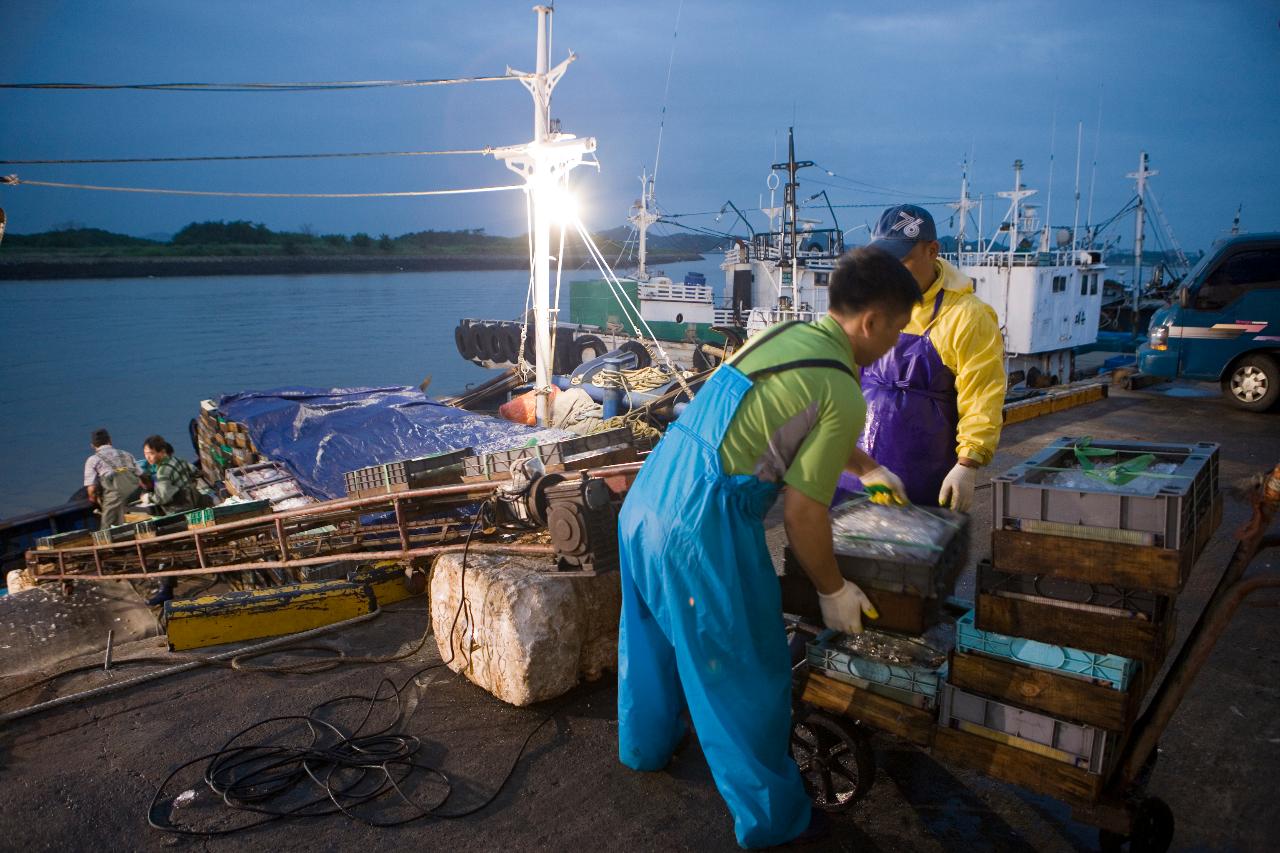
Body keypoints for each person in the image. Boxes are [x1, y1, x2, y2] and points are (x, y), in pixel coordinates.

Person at [617, 246, 921, 849]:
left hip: (648, 500)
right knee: (745, 672)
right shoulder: (844, 388)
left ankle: (644, 748)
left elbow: (785, 414)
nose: (894, 346)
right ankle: (777, 826)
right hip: (701, 527)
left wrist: (867, 467)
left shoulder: (789, 335)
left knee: (649, 639)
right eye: (897, 331)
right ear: (873, 323)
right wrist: (834, 589)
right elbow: (805, 513)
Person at [836, 204, 1006, 512]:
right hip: (859, 468)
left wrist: (968, 463)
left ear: (932, 250)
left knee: (911, 555)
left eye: (902, 262)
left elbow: (983, 395)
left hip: (924, 469)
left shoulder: (967, 316)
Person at [140, 435, 204, 606]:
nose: (148, 457)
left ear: (162, 452)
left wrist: (148, 497)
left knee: (165, 550)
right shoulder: (179, 461)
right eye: (146, 454)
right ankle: (169, 583)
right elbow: (196, 471)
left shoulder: (163, 471)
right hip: (192, 509)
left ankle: (165, 590)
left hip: (178, 515)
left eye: (151, 454)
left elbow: (163, 497)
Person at [83, 428, 142, 529]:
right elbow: (141, 476)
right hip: (136, 495)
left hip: (115, 499)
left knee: (106, 530)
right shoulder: (126, 454)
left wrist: (94, 501)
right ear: (110, 441)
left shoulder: (93, 460)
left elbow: (91, 490)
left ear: (92, 445)